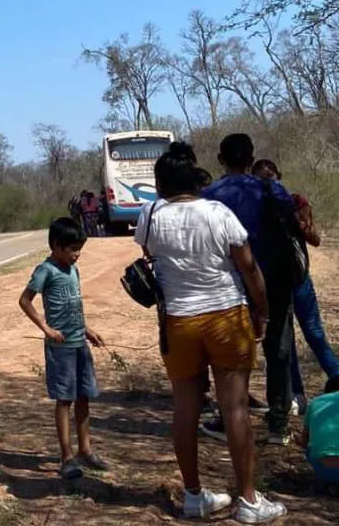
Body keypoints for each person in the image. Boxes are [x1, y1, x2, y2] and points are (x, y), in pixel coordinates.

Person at [135, 142, 286, 522]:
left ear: (161, 183)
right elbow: (249, 269)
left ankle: (192, 496)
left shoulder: (149, 215)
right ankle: (249, 501)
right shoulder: (218, 213)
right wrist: (262, 313)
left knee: (184, 410)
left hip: (179, 324)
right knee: (234, 409)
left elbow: (152, 256)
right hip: (225, 316)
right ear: (195, 179)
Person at [200, 134, 298, 445]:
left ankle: (230, 419)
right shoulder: (271, 188)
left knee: (231, 357)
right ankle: (278, 425)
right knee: (279, 350)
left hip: (229, 286)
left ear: (220, 159)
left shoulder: (208, 196)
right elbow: (294, 223)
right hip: (274, 281)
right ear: (251, 157)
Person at [19, 218, 108, 480]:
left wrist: (87, 330)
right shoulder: (45, 271)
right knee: (65, 400)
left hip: (80, 344)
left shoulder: (73, 270)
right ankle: (66, 456)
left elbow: (75, 305)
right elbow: (24, 301)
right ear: (56, 246)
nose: (77, 254)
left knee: (84, 397)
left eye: (79, 249)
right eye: (72, 249)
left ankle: (86, 450)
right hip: (61, 349)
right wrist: (45, 328)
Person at [252, 159, 339, 414]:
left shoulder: (295, 202)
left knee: (314, 333)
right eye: (260, 178)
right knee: (284, 342)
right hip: (272, 284)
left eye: (270, 176)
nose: (267, 182)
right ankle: (296, 395)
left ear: (279, 176)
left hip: (298, 280)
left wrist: (299, 223)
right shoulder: (254, 209)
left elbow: (315, 239)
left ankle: (336, 380)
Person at [295, 375, 339, 493]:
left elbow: (305, 441)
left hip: (324, 469)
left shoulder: (315, 402)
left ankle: (330, 483)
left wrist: (299, 441)